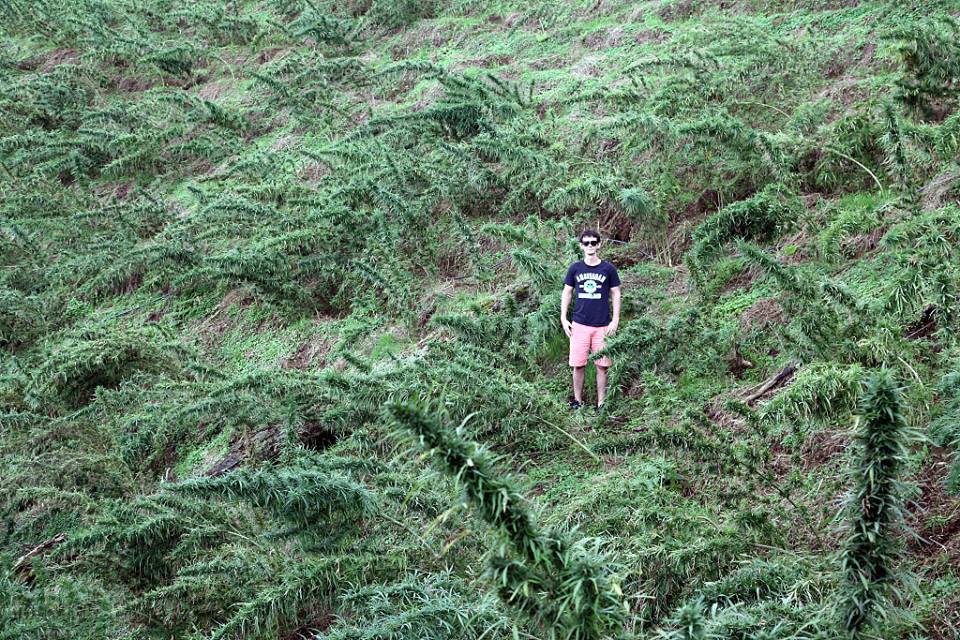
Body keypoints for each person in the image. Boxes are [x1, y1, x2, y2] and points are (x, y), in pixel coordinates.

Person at [561, 230, 621, 410]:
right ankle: (577, 401)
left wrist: (615, 319)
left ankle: (601, 403)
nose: (590, 246)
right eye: (586, 243)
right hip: (579, 325)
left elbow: (616, 293)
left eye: (593, 242)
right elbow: (567, 292)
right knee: (578, 365)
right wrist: (563, 318)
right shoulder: (575, 268)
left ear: (599, 244)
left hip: (602, 325)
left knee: (602, 366)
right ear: (581, 246)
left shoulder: (608, 269)